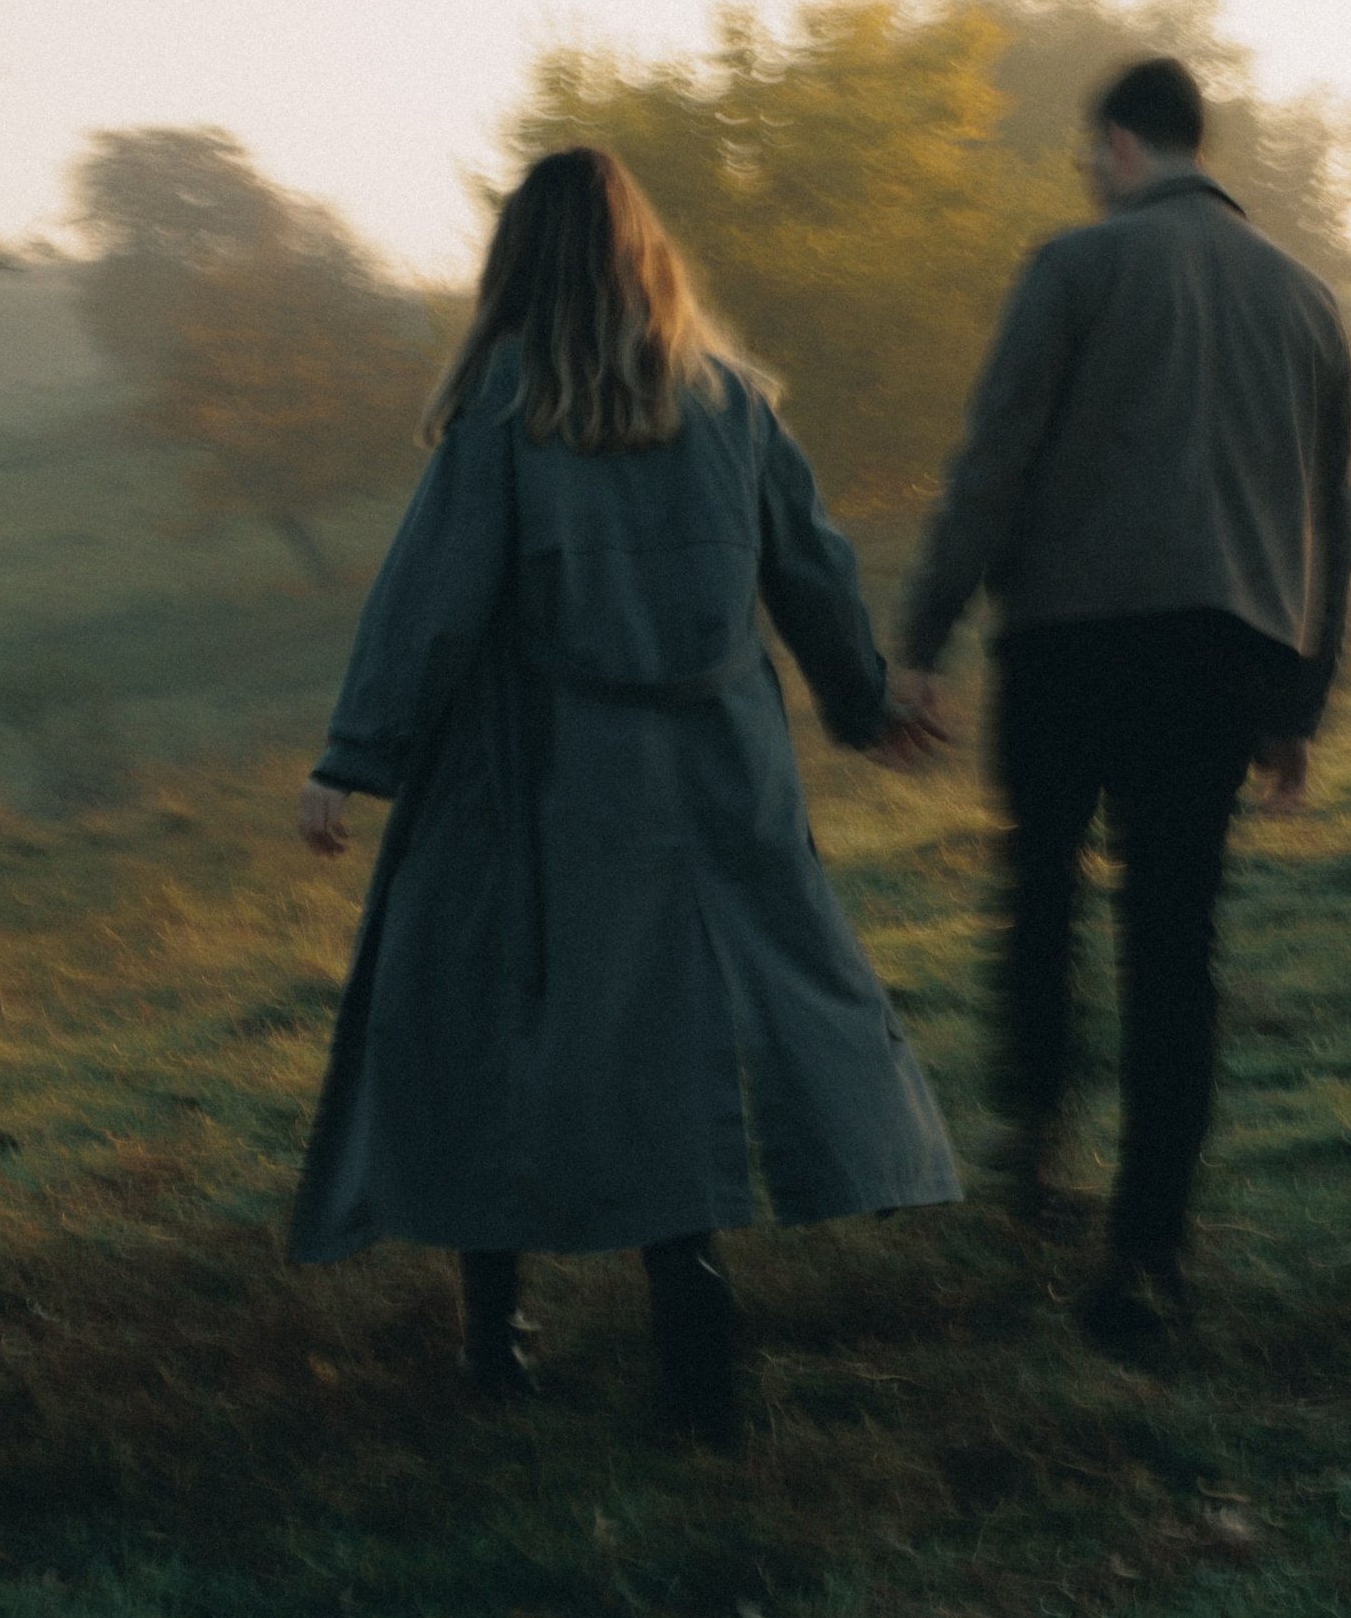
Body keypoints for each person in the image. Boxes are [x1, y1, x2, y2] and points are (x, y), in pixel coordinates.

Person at [289, 143, 958, 1443]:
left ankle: (498, 1343)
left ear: (518, 268)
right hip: (717, 780)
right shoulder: (733, 403)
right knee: (685, 1035)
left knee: (484, 1018)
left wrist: (353, 758)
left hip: (534, 780)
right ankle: (692, 1322)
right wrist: (866, 705)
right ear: (645, 255)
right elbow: (812, 573)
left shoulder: (503, 410)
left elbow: (435, 598)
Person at [892, 56, 1351, 1357]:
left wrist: (923, 634)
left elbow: (995, 458)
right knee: (1174, 944)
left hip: (1067, 645)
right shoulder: (1308, 303)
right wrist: (1298, 701)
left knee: (1038, 894)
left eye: (1091, 155)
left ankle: (1034, 1160)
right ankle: (1147, 1251)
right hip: (1220, 657)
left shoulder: (1076, 268)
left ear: (1116, 147)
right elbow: (1335, 526)